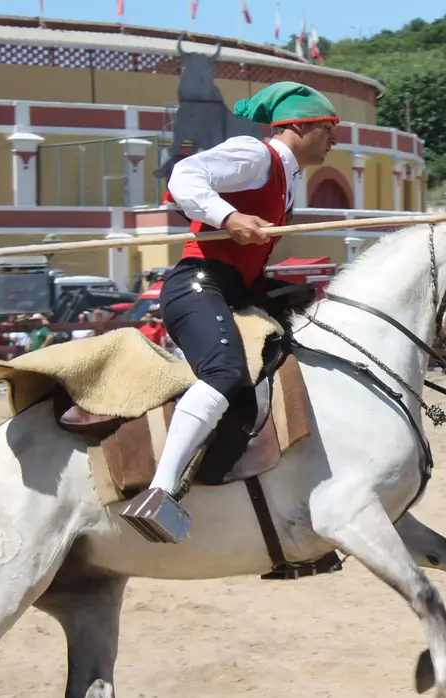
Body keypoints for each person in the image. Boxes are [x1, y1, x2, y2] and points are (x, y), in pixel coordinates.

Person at [118, 81, 340, 544]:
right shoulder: (255, 155)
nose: (333, 139)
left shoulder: (286, 178)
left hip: (240, 289)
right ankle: (159, 492)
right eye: (326, 128)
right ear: (297, 126)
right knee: (223, 372)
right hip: (198, 286)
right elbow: (184, 176)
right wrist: (229, 218)